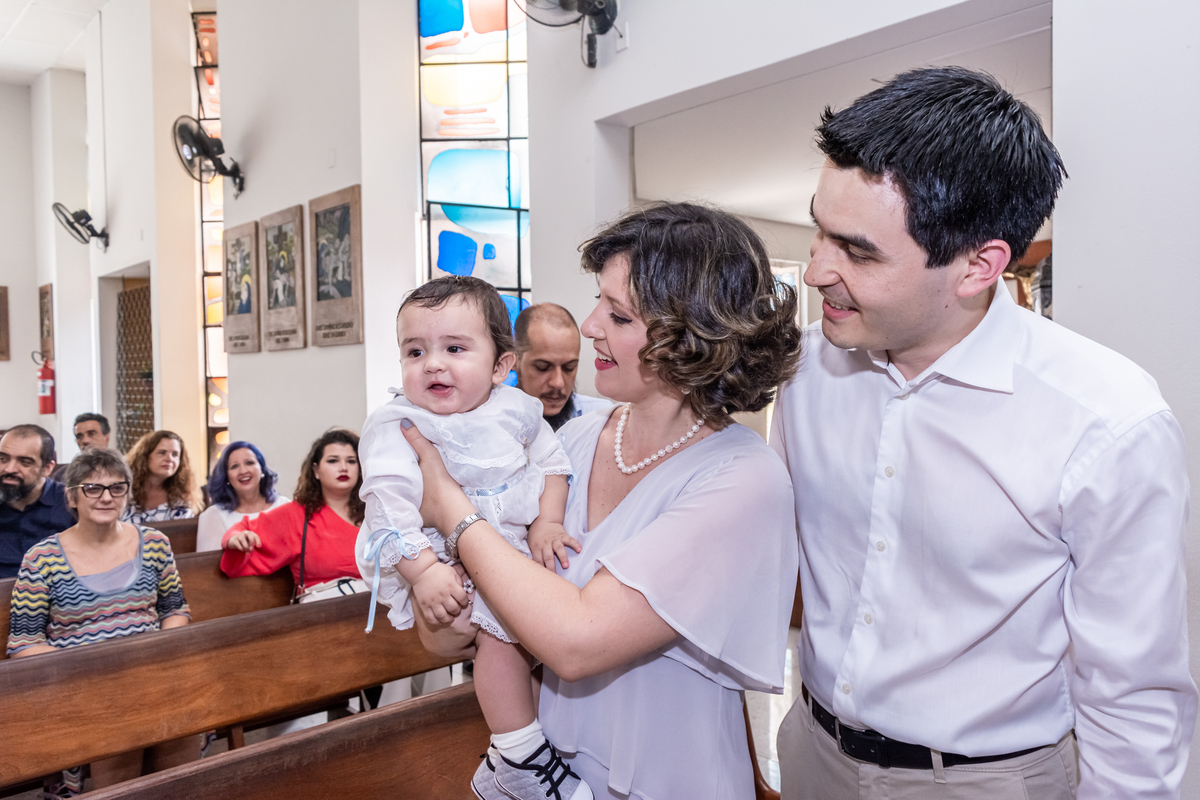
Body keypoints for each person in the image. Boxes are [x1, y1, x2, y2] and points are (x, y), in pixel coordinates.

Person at [770, 66, 1196, 800]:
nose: (814, 273)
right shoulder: (806, 370)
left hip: (984, 781)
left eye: (858, 252)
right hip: (811, 753)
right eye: (819, 230)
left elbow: (1132, 698)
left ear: (978, 266)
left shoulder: (1107, 424)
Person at [400, 203, 802, 800]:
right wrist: (441, 588)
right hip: (553, 776)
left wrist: (452, 511)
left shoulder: (743, 477)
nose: (590, 327)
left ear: (691, 334)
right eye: (599, 304)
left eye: (618, 314)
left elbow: (578, 641)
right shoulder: (574, 442)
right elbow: (452, 635)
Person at [355, 276, 582, 800]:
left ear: (501, 366)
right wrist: (423, 573)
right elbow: (387, 507)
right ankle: (519, 755)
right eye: (416, 351)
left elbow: (553, 465)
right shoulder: (398, 424)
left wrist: (547, 523)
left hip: (511, 552)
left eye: (454, 349)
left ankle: (518, 755)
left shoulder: (516, 410)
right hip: (439, 563)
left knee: (525, 647)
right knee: (501, 640)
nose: (433, 364)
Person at [7, 447, 196, 791]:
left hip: (150, 674)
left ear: (127, 492)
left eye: (116, 487)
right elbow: (23, 645)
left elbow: (174, 611)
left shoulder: (154, 543)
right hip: (81, 685)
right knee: (120, 723)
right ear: (72, 497)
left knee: (184, 722)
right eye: (92, 488)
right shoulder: (42, 558)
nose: (106, 497)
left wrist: (160, 650)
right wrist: (95, 666)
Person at [220, 428, 362, 597]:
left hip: (379, 604)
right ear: (316, 470)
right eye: (333, 461)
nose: (344, 468)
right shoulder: (296, 515)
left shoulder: (375, 511)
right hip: (324, 607)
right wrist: (235, 538)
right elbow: (241, 529)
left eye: (351, 461)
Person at [514, 303, 612, 431]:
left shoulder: (603, 419)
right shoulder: (495, 423)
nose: (558, 383)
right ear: (514, 361)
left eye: (569, 368)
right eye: (542, 367)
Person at [0, 425, 74, 579]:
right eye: (2, 459)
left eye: (24, 462)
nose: (10, 469)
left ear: (47, 468)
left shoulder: (72, 503)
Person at [196, 441, 290, 552]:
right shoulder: (213, 515)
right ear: (226, 477)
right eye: (234, 466)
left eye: (249, 463)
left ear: (262, 469)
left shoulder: (284, 505)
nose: (243, 471)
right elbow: (208, 561)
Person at [123, 430, 199, 525]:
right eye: (162, 453)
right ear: (145, 456)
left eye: (175, 454)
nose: (169, 459)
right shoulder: (122, 490)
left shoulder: (181, 500)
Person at [50, 413, 112, 483]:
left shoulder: (119, 470)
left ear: (107, 438)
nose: (85, 441)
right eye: (79, 436)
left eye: (91, 434)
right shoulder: (63, 476)